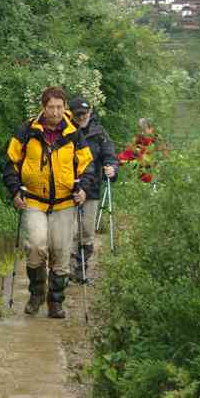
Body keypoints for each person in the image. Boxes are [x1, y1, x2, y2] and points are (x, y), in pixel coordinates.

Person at [2, 86, 97, 318]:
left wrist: (83, 189)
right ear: (43, 107)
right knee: (35, 246)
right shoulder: (26, 131)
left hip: (65, 203)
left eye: (59, 107)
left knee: (61, 252)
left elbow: (87, 165)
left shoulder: (74, 133)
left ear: (64, 107)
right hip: (34, 200)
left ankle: (55, 301)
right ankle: (36, 294)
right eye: (51, 107)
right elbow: (9, 163)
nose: (55, 112)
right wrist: (15, 191)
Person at [68, 97, 117, 283]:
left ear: (91, 112)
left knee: (87, 232)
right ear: (71, 114)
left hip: (92, 189)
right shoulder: (65, 131)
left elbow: (109, 154)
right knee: (68, 231)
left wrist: (111, 167)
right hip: (67, 190)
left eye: (85, 113)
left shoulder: (99, 132)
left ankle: (80, 269)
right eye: (78, 114)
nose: (82, 117)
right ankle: (64, 270)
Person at [118, 118, 164, 183]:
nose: (142, 132)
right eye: (140, 129)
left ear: (151, 128)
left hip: (152, 174)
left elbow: (161, 154)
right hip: (141, 177)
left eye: (144, 129)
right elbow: (125, 156)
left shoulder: (156, 140)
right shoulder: (138, 141)